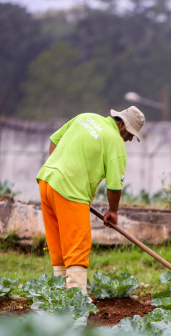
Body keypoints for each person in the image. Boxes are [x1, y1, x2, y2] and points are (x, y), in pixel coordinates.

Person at [36, 106, 145, 294]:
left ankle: (59, 295)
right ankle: (76, 299)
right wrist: (113, 211)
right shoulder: (116, 143)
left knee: (60, 245)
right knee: (78, 245)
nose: (129, 139)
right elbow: (114, 186)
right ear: (121, 125)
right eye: (129, 134)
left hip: (47, 182)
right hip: (70, 191)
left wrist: (60, 169)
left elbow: (54, 140)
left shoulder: (85, 117)